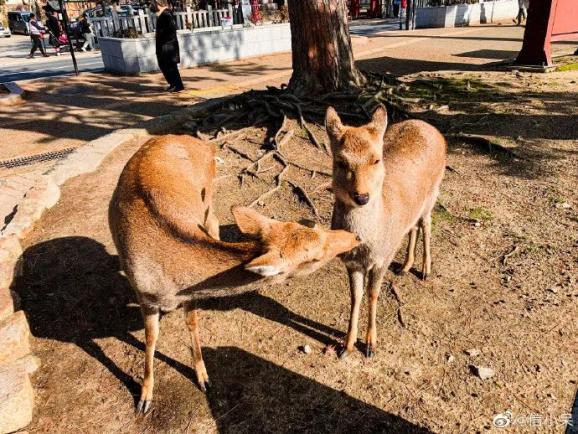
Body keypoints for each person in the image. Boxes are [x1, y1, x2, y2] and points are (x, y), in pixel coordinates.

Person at [154, 0, 184, 92]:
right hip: (163, 45)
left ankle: (177, 85)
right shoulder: (162, 14)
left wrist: (161, 35)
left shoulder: (166, 14)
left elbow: (171, 30)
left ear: (158, 4)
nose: (153, 5)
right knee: (164, 65)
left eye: (154, 3)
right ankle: (173, 84)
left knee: (170, 66)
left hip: (168, 45)